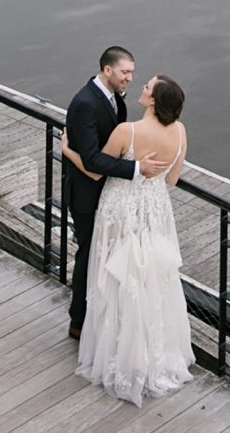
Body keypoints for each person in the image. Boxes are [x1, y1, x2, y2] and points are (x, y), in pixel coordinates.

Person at [65, 72, 195, 403]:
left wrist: (67, 150)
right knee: (149, 275)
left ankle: (117, 351)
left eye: (147, 86)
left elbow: (95, 169)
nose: (141, 86)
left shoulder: (128, 132)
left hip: (120, 208)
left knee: (117, 273)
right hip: (155, 210)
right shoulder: (180, 132)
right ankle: (151, 354)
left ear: (153, 101)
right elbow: (172, 180)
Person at [63, 47, 170, 340]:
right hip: (87, 196)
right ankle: (78, 321)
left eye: (133, 74)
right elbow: (92, 160)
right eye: (125, 72)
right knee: (88, 256)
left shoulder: (115, 101)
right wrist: (137, 168)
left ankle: (106, 317)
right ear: (108, 70)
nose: (130, 79)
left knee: (111, 258)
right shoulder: (85, 103)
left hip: (112, 195)